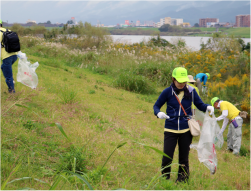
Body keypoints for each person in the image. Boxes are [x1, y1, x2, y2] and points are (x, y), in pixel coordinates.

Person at [153, 67, 214, 183]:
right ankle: (165, 178)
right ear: (173, 79)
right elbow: (156, 106)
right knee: (167, 156)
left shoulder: (191, 91)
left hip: (186, 130)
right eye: (179, 81)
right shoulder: (167, 92)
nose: (182, 84)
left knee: (184, 158)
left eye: (184, 81)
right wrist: (159, 113)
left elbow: (200, 105)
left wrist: (208, 107)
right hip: (170, 128)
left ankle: (182, 180)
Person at [0, 19, 18, 93]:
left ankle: (12, 92)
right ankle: (11, 80)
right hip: (14, 55)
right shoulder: (8, 30)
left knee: (8, 75)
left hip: (6, 57)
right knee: (3, 67)